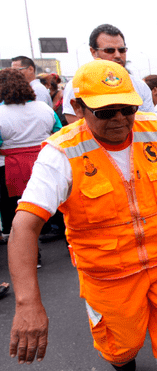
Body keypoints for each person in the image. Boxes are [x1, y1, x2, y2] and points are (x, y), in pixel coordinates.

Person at [7, 59, 157, 370]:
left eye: (128, 108)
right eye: (106, 112)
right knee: (121, 349)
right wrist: (27, 303)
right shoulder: (60, 154)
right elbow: (23, 227)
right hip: (110, 278)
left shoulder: (153, 129)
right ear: (78, 108)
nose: (121, 119)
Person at [0, 68, 61, 265]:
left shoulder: (1, 113)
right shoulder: (45, 109)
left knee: (17, 212)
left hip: (10, 166)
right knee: (53, 203)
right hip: (44, 161)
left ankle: (31, 257)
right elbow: (59, 133)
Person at [62, 24, 155, 124]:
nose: (118, 55)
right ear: (93, 52)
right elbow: (76, 125)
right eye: (109, 50)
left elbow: (148, 123)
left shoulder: (140, 86)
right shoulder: (77, 86)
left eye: (122, 50)